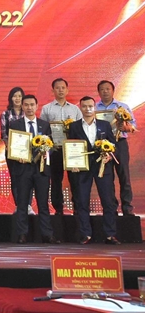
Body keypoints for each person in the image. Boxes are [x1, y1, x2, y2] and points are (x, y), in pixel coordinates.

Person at [68, 96, 119, 245]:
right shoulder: (74, 126)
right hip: (83, 168)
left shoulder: (105, 125)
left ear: (95, 107)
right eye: (84, 106)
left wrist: (109, 155)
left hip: (103, 167)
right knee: (82, 200)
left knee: (108, 201)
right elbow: (71, 147)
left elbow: (113, 145)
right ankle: (85, 234)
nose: (88, 109)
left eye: (90, 106)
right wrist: (72, 164)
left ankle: (110, 234)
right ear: (80, 108)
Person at [9, 95, 59, 244]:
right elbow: (12, 146)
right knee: (22, 203)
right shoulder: (15, 125)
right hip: (22, 168)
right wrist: (16, 156)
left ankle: (47, 234)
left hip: (41, 169)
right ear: (22, 107)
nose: (29, 107)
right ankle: (22, 234)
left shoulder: (45, 124)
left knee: (43, 203)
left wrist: (46, 152)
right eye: (26, 105)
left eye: (32, 105)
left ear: (37, 106)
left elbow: (51, 145)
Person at [39, 78, 81, 216]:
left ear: (67, 90)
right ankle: (58, 209)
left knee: (75, 180)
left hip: (72, 151)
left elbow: (81, 129)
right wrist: (49, 145)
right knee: (56, 180)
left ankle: (77, 208)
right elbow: (42, 130)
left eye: (63, 87)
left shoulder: (75, 109)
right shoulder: (47, 109)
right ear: (53, 90)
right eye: (57, 88)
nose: (60, 90)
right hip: (55, 150)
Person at [96, 80, 136, 216]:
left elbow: (133, 126)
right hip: (103, 145)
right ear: (98, 92)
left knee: (124, 175)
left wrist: (125, 127)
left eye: (108, 89)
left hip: (120, 143)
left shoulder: (122, 107)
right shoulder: (95, 108)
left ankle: (127, 208)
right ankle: (111, 208)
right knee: (107, 178)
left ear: (113, 90)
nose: (105, 91)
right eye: (102, 89)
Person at [0, 87, 30, 212]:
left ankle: (28, 205)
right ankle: (18, 205)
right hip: (11, 152)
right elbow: (4, 134)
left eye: (19, 96)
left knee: (28, 178)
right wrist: (12, 150)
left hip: (27, 152)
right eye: (14, 96)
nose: (17, 98)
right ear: (10, 98)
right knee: (15, 177)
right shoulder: (5, 114)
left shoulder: (28, 113)